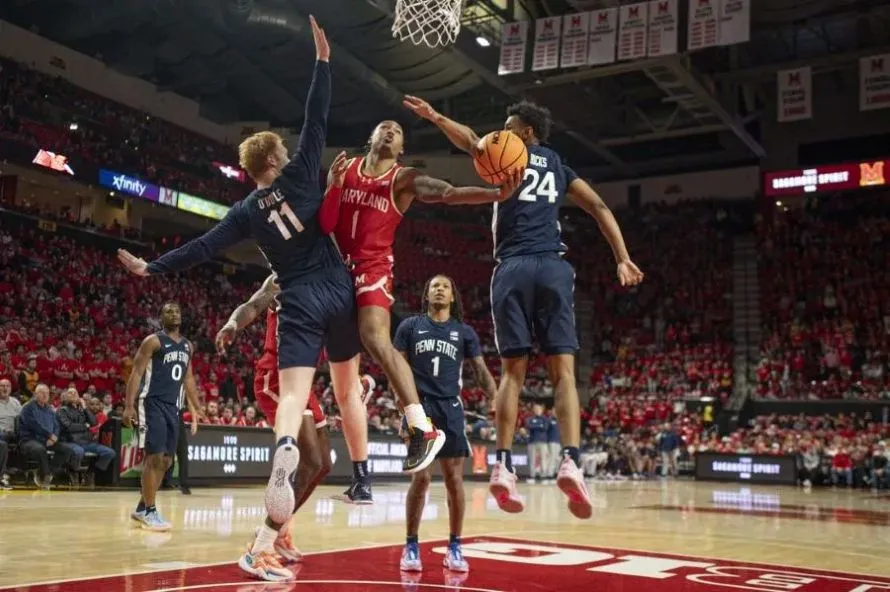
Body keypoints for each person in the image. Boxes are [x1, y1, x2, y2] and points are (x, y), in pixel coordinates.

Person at [114, 19, 403, 582]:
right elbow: (316, 115)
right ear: (277, 155)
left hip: (295, 295)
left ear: (249, 170)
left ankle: (284, 448)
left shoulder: (247, 212)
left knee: (293, 398)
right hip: (336, 285)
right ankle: (371, 417)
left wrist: (153, 266)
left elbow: (202, 247)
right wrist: (323, 61)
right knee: (350, 377)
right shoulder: (299, 173)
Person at [403, 96, 644, 519]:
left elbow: (472, 141)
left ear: (527, 132)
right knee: (563, 372)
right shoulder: (558, 166)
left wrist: (436, 116)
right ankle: (571, 460)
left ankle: (503, 466)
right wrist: (621, 256)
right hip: (552, 267)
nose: (502, 132)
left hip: (511, 268)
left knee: (513, 373)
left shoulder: (503, 153)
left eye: (509, 125)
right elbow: (599, 206)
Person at [317, 116, 522, 479]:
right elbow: (325, 221)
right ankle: (361, 389)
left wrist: (494, 194)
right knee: (325, 343)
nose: (391, 131)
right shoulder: (344, 167)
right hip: (335, 267)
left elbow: (448, 193)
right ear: (372, 136)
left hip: (372, 268)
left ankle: (419, 424)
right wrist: (332, 187)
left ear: (401, 149)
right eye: (384, 127)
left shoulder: (403, 179)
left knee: (375, 336)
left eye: (397, 132)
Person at [215, 273, 375, 567]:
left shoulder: (332, 284)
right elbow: (251, 306)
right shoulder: (281, 276)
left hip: (303, 379)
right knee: (310, 461)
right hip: (275, 376)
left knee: (323, 464)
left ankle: (281, 528)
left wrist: (352, 386)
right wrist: (232, 324)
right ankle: (260, 545)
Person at [393, 275, 497, 573]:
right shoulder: (409, 327)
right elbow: (397, 369)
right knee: (421, 479)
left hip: (451, 409)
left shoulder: (463, 332)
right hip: (419, 407)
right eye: (434, 286)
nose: (439, 289)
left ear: (452, 297)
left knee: (454, 481)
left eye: (445, 286)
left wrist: (496, 399)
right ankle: (411, 545)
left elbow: (480, 370)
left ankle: (455, 546)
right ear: (426, 295)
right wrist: (404, 408)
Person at [124, 303, 201, 531]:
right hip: (152, 403)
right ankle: (150, 510)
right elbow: (136, 372)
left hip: (173, 407)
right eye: (168, 311)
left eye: (177, 311)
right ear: (161, 317)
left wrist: (196, 405)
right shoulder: (153, 341)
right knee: (154, 457)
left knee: (166, 461)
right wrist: (128, 406)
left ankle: (141, 507)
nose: (173, 314)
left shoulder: (187, 346)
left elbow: (188, 378)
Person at [18, 383, 76, 488]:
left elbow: (56, 425)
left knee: (67, 449)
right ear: (35, 394)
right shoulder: (28, 407)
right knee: (40, 449)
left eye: (47, 393)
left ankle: (48, 474)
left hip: (47, 439)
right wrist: (49, 435)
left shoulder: (49, 409)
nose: (45, 395)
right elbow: (34, 425)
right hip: (29, 440)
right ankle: (45, 475)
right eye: (42, 393)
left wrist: (54, 438)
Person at [57, 387, 116, 480]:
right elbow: (68, 427)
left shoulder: (82, 410)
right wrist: (85, 426)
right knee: (79, 451)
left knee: (109, 452)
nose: (72, 394)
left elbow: (93, 422)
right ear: (65, 397)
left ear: (78, 397)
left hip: (86, 442)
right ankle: (73, 472)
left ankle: (90, 472)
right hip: (69, 441)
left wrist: (85, 407)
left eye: (75, 393)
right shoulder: (61, 410)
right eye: (70, 393)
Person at [525, 403, 549, 484]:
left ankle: (544, 476)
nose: (537, 410)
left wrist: (535, 425)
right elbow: (529, 426)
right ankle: (532, 475)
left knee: (543, 459)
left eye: (538, 409)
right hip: (532, 441)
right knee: (532, 459)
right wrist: (539, 426)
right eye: (535, 409)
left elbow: (545, 427)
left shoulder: (545, 419)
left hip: (543, 442)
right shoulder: (530, 418)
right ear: (533, 410)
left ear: (541, 410)